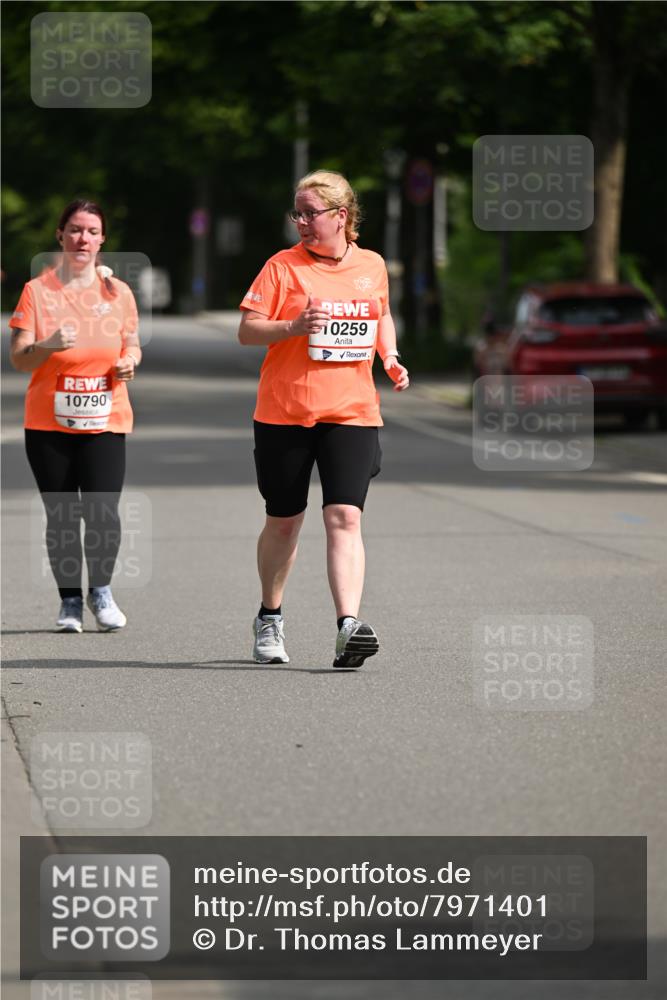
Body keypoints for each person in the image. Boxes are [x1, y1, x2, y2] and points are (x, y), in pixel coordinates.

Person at [238, 170, 409, 669]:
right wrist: (292, 326)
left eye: (311, 213)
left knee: (345, 515)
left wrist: (391, 356)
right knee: (285, 521)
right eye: (298, 213)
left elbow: (380, 313)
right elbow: (247, 331)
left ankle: (347, 627)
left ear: (342, 216)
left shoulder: (372, 265)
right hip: (285, 411)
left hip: (352, 411)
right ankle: (270, 615)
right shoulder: (281, 266)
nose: (302, 222)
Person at [9, 199, 141, 632]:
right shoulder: (38, 291)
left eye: (91, 231)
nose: (82, 238)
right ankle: (69, 601)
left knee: (103, 510)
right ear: (60, 236)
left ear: (102, 239)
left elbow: (132, 344)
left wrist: (129, 362)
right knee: (62, 513)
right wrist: (47, 345)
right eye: (75, 229)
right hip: (49, 422)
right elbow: (20, 360)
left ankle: (100, 591)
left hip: (107, 416)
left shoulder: (117, 292)